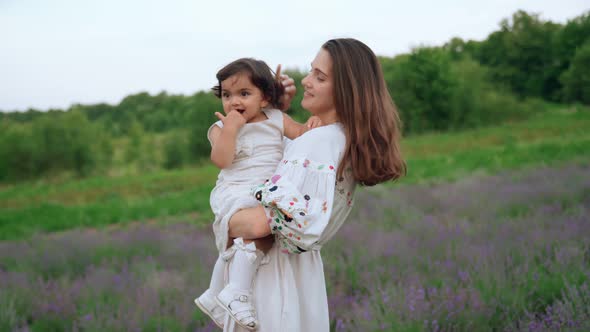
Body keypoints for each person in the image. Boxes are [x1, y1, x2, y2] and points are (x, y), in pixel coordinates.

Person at [221, 38, 406, 331]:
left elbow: (261, 225)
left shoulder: (317, 144)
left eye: (319, 77)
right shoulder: (338, 138)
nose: (306, 80)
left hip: (274, 282)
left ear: (346, 89)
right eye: (311, 71)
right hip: (301, 278)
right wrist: (276, 110)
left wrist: (224, 218)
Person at [194, 57, 321, 330]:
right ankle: (233, 291)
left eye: (244, 93)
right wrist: (230, 130)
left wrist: (313, 126)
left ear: (264, 99)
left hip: (266, 191)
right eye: (226, 95)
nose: (233, 102)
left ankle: (222, 291)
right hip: (236, 192)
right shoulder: (221, 128)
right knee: (262, 228)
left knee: (268, 233)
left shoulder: (276, 119)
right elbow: (221, 160)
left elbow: (301, 136)